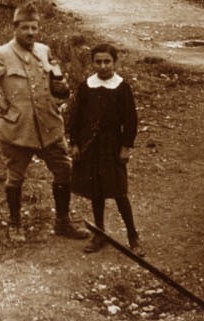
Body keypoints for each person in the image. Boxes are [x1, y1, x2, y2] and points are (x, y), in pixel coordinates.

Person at [0, 1, 89, 243]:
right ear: (15, 27)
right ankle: (15, 224)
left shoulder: (44, 50)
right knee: (16, 177)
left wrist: (60, 90)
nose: (30, 33)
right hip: (18, 128)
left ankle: (62, 222)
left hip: (49, 126)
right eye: (25, 28)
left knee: (64, 170)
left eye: (34, 28)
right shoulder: (1, 55)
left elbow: (55, 81)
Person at [68, 43, 143, 255]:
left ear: (114, 62)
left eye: (107, 61)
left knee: (119, 191)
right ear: (92, 63)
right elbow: (76, 117)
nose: (102, 66)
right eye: (98, 62)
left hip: (112, 147)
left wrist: (126, 147)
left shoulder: (121, 87)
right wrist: (74, 143)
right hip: (90, 147)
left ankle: (133, 236)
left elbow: (130, 121)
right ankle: (99, 233)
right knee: (96, 192)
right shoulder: (86, 87)